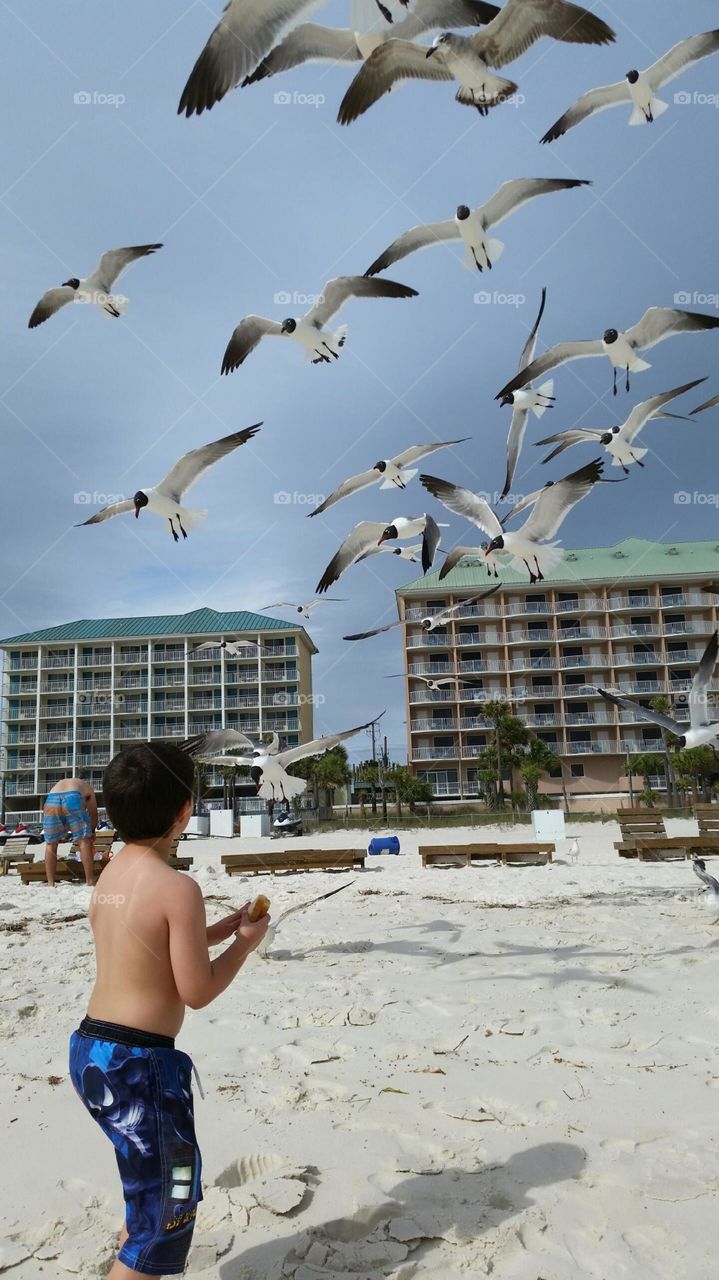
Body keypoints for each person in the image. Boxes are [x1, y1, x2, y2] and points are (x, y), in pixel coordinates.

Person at [68, 742, 270, 1279]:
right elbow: (196, 991)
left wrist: (213, 931)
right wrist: (243, 945)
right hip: (141, 1068)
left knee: (148, 1175)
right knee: (171, 1208)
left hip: (92, 1051)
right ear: (185, 811)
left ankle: (134, 1234)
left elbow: (146, 941)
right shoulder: (178, 887)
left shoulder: (111, 871)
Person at [42, 777, 98, 887]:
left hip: (51, 799)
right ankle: (90, 881)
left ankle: (50, 882)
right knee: (84, 841)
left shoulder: (60, 783)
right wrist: (91, 831)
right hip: (73, 797)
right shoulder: (88, 789)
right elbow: (93, 814)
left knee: (50, 844)